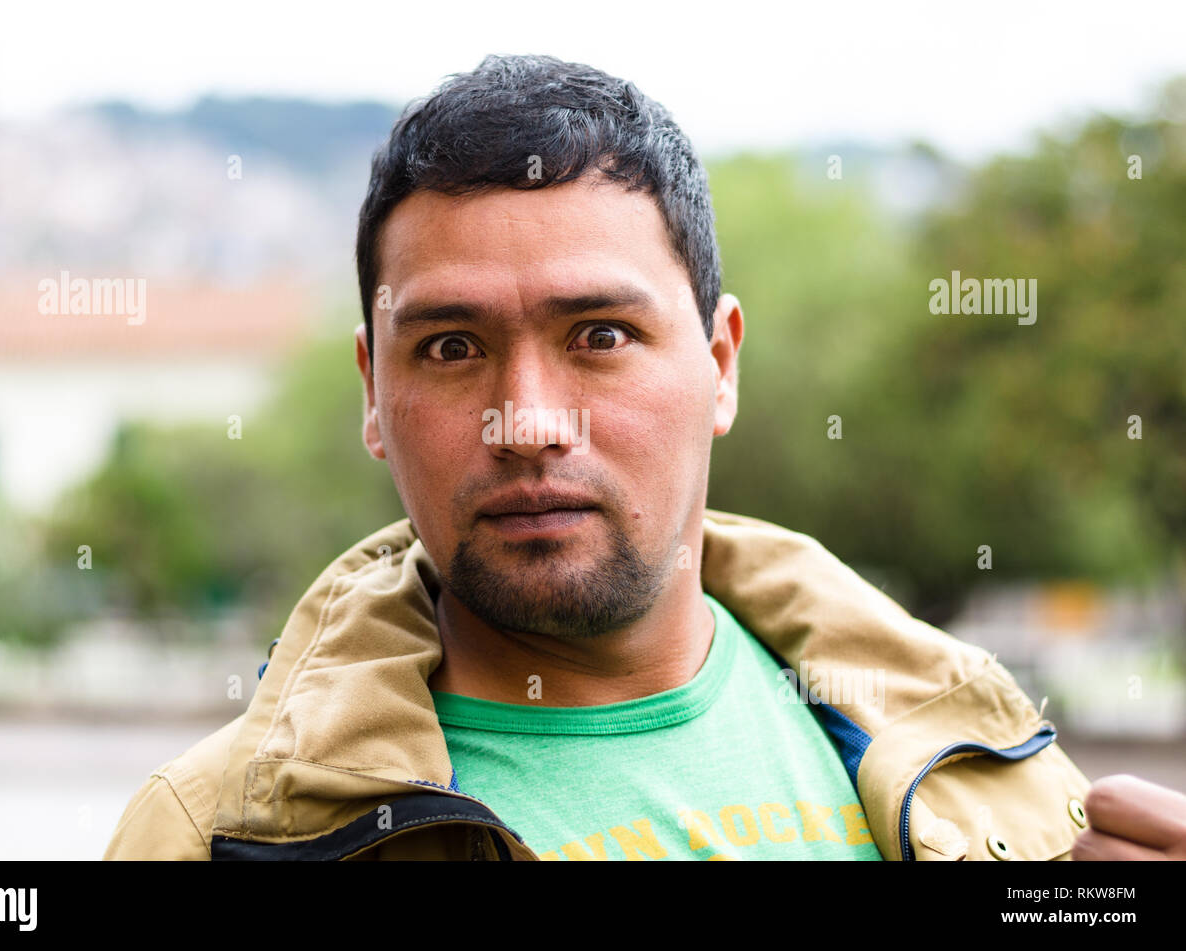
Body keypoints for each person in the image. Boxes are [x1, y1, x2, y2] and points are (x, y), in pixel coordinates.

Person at [104, 53, 1186, 861]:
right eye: (450, 348)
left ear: (720, 363)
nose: (525, 423)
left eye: (600, 337)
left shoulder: (973, 755)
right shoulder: (217, 838)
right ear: (373, 395)